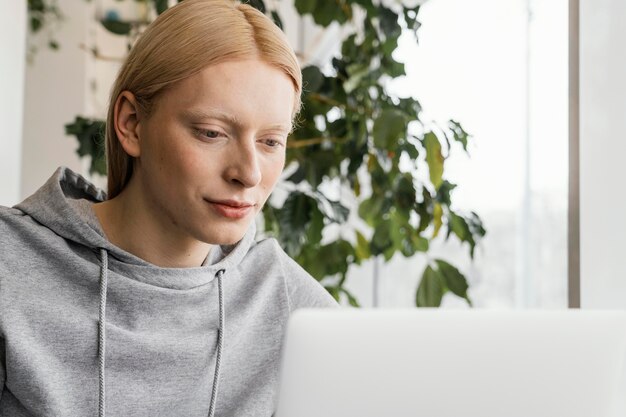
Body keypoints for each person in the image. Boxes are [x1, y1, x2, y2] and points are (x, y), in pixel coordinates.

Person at [0, 1, 338, 416]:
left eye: (270, 141)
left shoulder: (295, 308)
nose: (249, 173)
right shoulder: (9, 265)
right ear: (131, 124)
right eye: (212, 133)